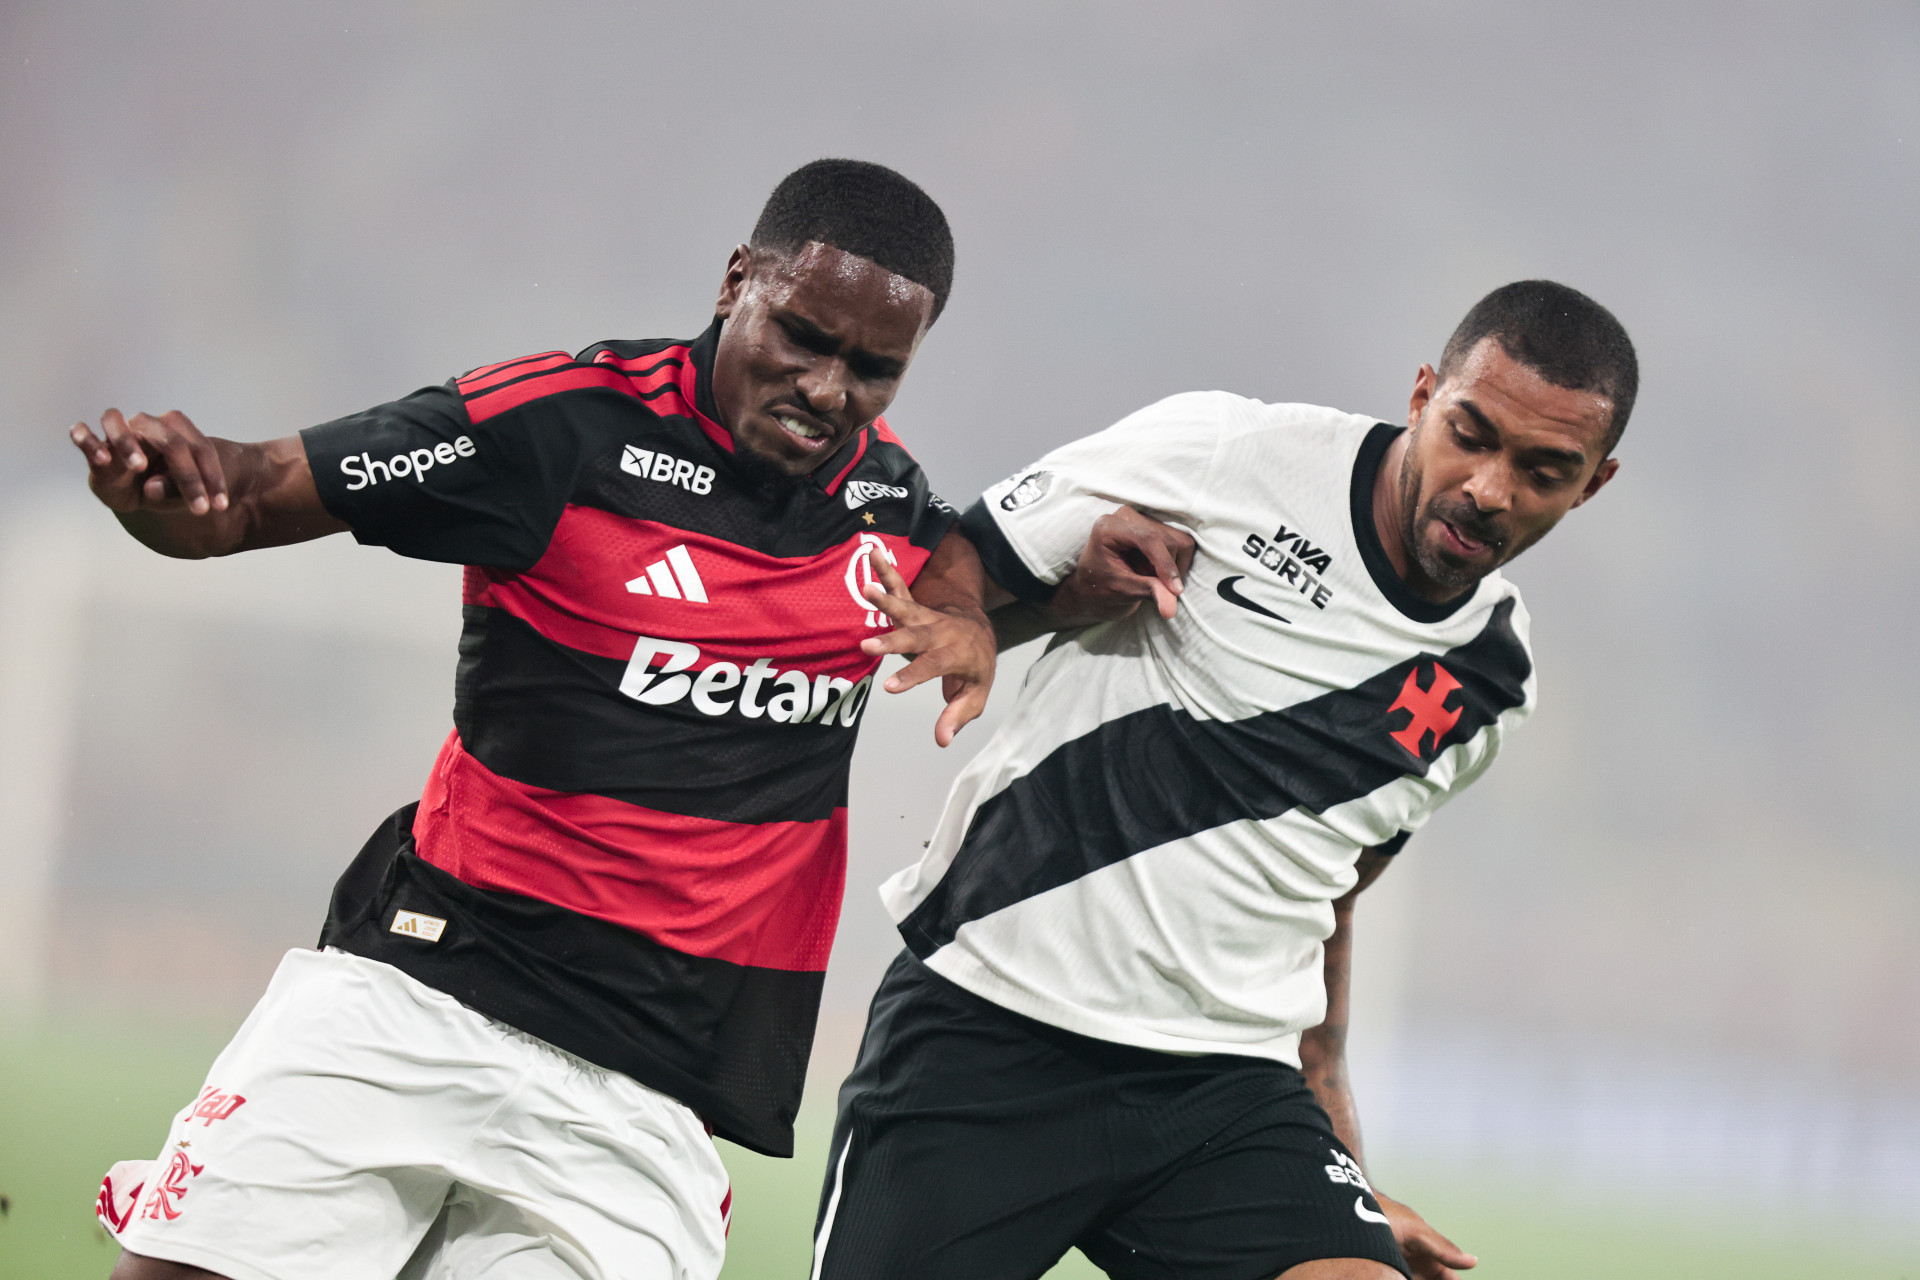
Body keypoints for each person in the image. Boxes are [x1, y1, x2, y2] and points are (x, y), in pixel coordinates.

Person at [74, 159, 1003, 1280]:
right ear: (735, 282)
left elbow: (1005, 561)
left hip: (641, 1097)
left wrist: (976, 611)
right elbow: (247, 494)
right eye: (801, 337)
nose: (826, 387)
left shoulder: (894, 514)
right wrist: (169, 494)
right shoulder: (560, 425)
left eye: (873, 368)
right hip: (418, 997)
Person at [811, 280, 1639, 1280]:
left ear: (1593, 484)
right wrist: (992, 615)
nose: (1491, 488)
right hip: (990, 1022)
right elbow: (961, 566)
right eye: (1471, 434)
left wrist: (1344, 1163)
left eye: (1544, 471)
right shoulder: (1229, 454)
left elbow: (1327, 894)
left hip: (1223, 1089)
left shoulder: (1494, 676)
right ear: (1423, 393)